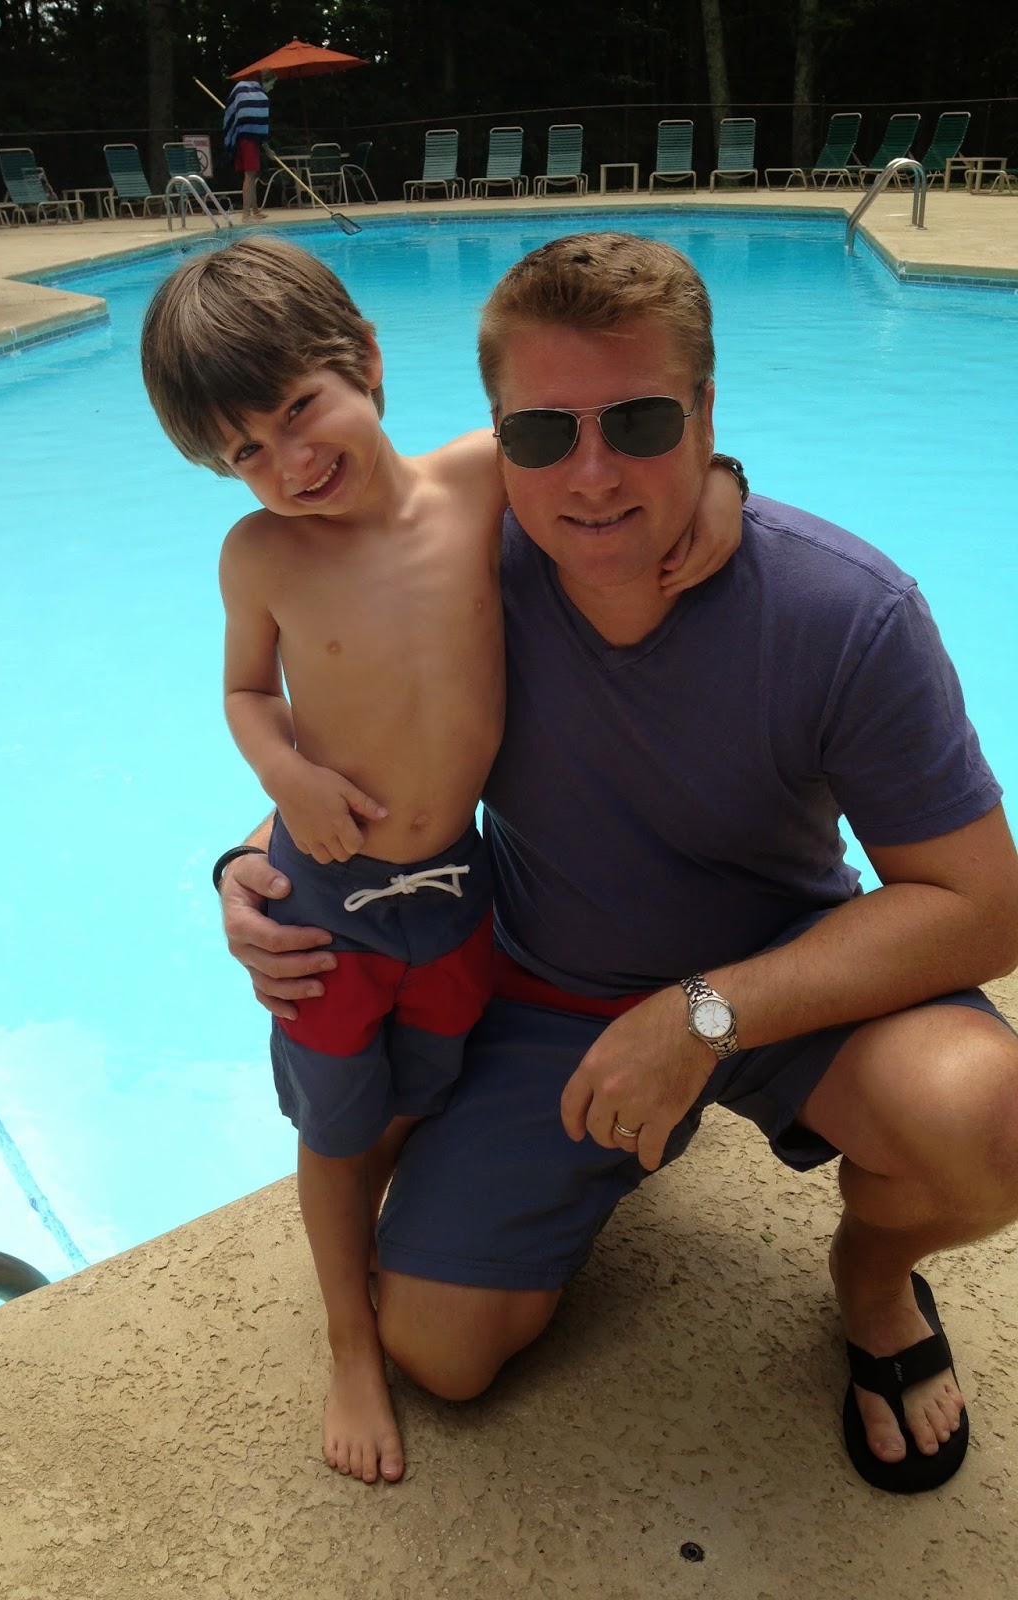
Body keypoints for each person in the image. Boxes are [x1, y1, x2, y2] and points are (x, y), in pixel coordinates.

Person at [219, 230, 1018, 1497]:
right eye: (543, 434)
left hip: (787, 979)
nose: (589, 476)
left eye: (641, 422)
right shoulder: (466, 561)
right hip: (552, 995)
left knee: (990, 1122)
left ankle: (871, 1281)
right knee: (439, 1351)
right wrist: (245, 864)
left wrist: (702, 1015)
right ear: (498, 438)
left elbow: (986, 909)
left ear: (707, 411)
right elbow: (350, 734)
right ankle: (607, 1138)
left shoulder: (845, 611)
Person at [139, 235, 746, 1486]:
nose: (289, 462)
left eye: (299, 409)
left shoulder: (478, 483)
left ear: (364, 359)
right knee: (337, 1128)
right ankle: (348, 1341)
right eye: (244, 452)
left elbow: (611, 474)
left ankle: (410, 1230)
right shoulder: (261, 555)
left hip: (460, 894)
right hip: (331, 910)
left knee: (426, 1085)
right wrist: (286, 779)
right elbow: (247, 691)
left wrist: (725, 484)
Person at [222, 72, 273, 222]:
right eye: (272, 83)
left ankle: (255, 210)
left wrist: (267, 149)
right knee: (250, 175)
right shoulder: (261, 98)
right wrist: (267, 149)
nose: (272, 87)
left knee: (252, 175)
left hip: (241, 138)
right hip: (248, 141)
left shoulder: (244, 91)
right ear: (266, 81)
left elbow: (251, 121)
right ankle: (246, 214)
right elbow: (259, 127)